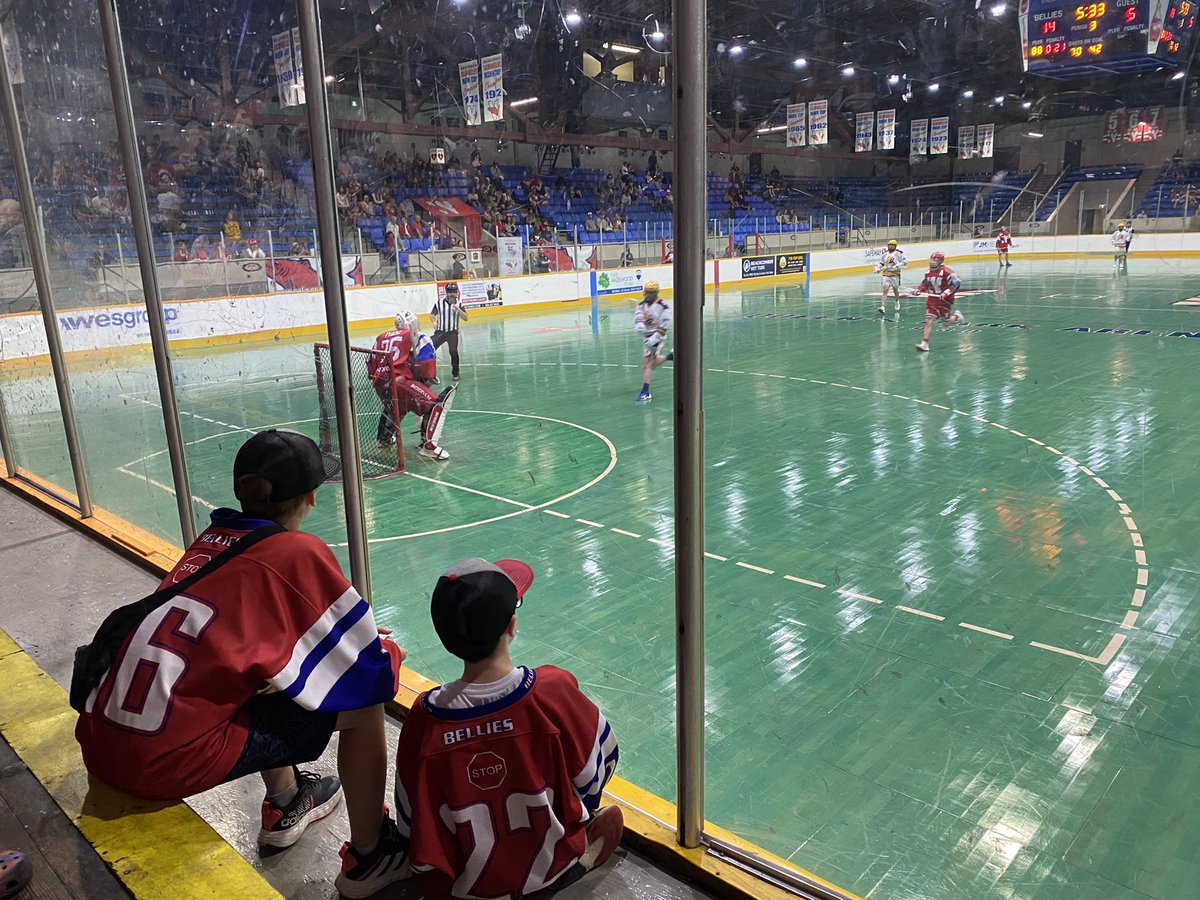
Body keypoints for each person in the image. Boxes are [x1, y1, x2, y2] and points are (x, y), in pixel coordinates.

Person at [75, 430, 410, 899]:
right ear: (311, 497)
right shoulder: (295, 552)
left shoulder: (213, 539)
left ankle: (288, 799)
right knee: (364, 709)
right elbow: (366, 676)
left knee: (265, 675)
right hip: (158, 764)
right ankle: (372, 856)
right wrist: (384, 653)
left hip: (102, 739)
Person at [393, 558, 623, 899]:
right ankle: (572, 864)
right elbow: (598, 771)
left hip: (462, 886)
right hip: (546, 868)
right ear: (512, 626)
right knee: (601, 816)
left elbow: (411, 821)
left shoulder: (424, 718)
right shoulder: (551, 690)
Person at [368, 310, 454, 460]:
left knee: (395, 406)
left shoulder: (380, 338)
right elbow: (426, 364)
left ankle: (384, 439)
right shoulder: (418, 336)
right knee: (435, 405)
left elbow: (369, 362)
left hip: (380, 384)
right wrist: (427, 379)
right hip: (401, 381)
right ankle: (429, 447)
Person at [913, 251, 964, 353]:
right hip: (932, 301)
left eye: (934, 260)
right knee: (928, 319)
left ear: (939, 261)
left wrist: (946, 293)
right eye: (931, 259)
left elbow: (956, 283)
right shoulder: (928, 272)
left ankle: (956, 317)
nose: (931, 261)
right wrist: (919, 289)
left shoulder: (947, 272)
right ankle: (925, 343)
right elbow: (926, 283)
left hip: (945, 301)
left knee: (946, 323)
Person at [634, 281, 673, 402]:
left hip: (657, 338)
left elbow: (664, 325)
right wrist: (640, 325)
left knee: (648, 364)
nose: (647, 295)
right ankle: (670, 356)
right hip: (647, 338)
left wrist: (654, 338)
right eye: (647, 292)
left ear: (655, 293)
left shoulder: (662, 306)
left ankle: (645, 391)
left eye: (650, 293)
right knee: (650, 364)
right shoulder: (641, 305)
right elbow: (639, 318)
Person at [430, 282, 468, 381]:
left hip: (452, 333)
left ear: (456, 293)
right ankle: (429, 374)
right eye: (450, 292)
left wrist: (458, 309)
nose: (452, 294)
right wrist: (434, 322)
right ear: (446, 292)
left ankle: (456, 373)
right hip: (440, 332)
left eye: (454, 292)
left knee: (453, 351)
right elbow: (432, 314)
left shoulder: (459, 304)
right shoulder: (439, 303)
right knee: (430, 349)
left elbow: (465, 318)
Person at [875, 239, 907, 315]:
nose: (891, 246)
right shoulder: (885, 254)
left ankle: (896, 300)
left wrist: (897, 265)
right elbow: (881, 263)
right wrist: (878, 268)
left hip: (895, 274)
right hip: (886, 274)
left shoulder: (899, 253)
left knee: (895, 289)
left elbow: (905, 262)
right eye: (889, 245)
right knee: (885, 290)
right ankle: (882, 306)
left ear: (895, 246)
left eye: (892, 245)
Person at [0, 199, 30, 269]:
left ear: (15, 216)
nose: (1, 218)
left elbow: (4, 257)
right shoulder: (6, 230)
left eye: (3, 215)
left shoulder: (16, 232)